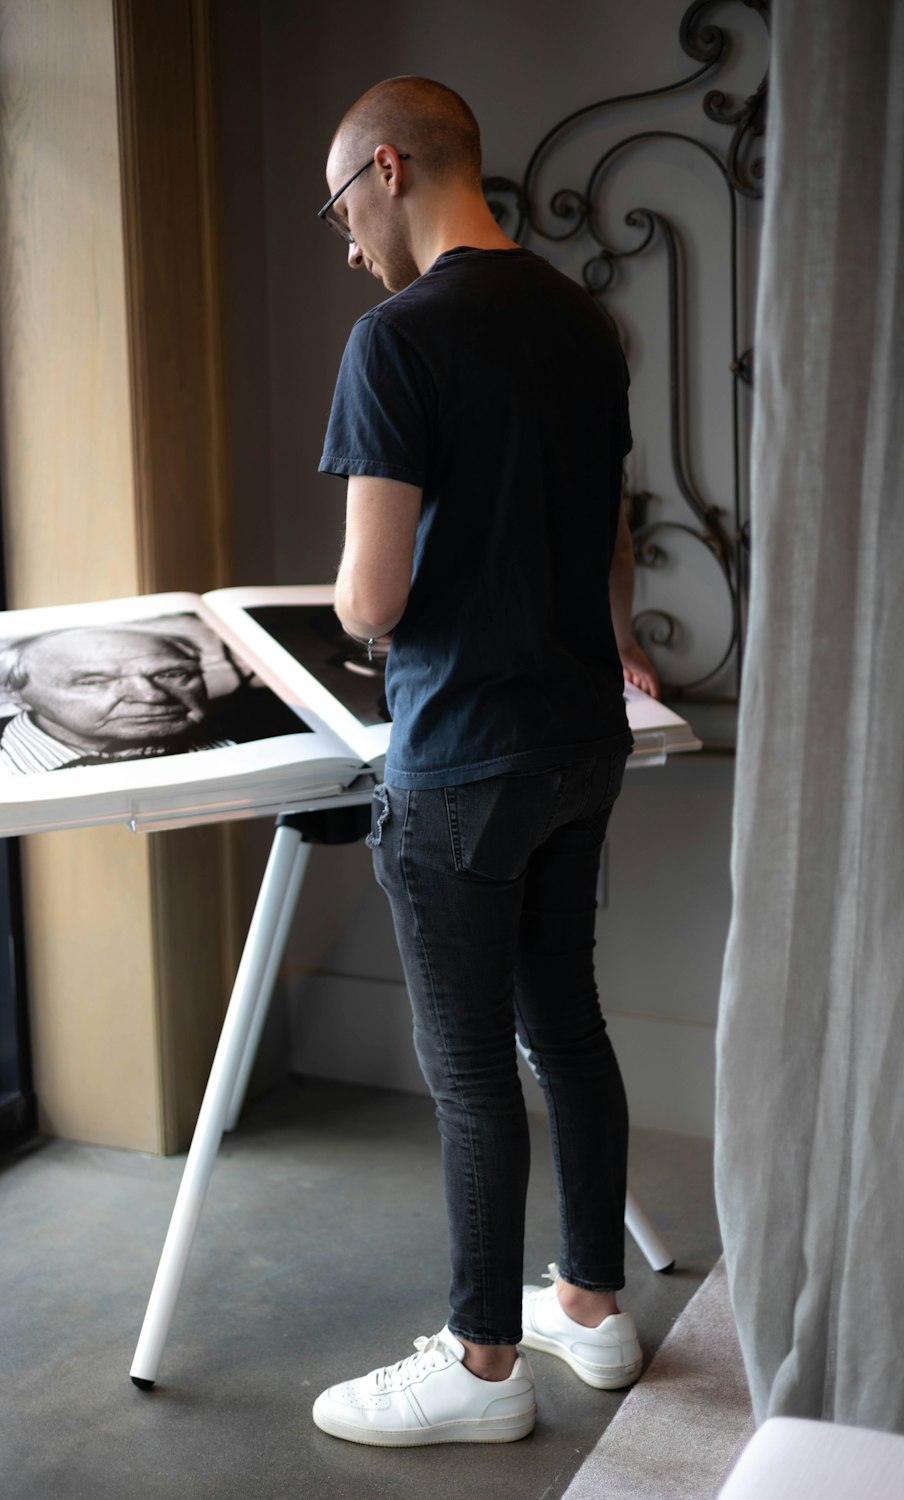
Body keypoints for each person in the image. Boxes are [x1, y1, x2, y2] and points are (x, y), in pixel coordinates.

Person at [312, 76, 659, 1448]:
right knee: (566, 1027)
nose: (344, 242)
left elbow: (372, 603)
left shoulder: (397, 338)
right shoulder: (581, 320)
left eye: (341, 205)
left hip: (460, 758)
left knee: (468, 1071)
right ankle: (592, 1306)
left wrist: (344, 608)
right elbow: (616, 522)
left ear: (388, 169)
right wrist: (623, 650)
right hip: (582, 738)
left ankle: (482, 1365)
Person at [0, 626, 297, 773]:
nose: (151, 696)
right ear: (16, 695)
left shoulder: (274, 726)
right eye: (94, 681)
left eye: (173, 674)